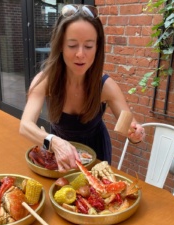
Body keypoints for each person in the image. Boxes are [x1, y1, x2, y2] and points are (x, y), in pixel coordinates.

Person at [20, 4, 144, 172]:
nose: (80, 54)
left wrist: (135, 134)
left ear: (97, 48)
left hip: (97, 157)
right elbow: (25, 125)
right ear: (61, 46)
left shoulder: (106, 86)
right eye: (72, 45)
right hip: (59, 153)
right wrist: (53, 141)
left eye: (88, 46)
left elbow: (130, 126)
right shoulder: (44, 81)